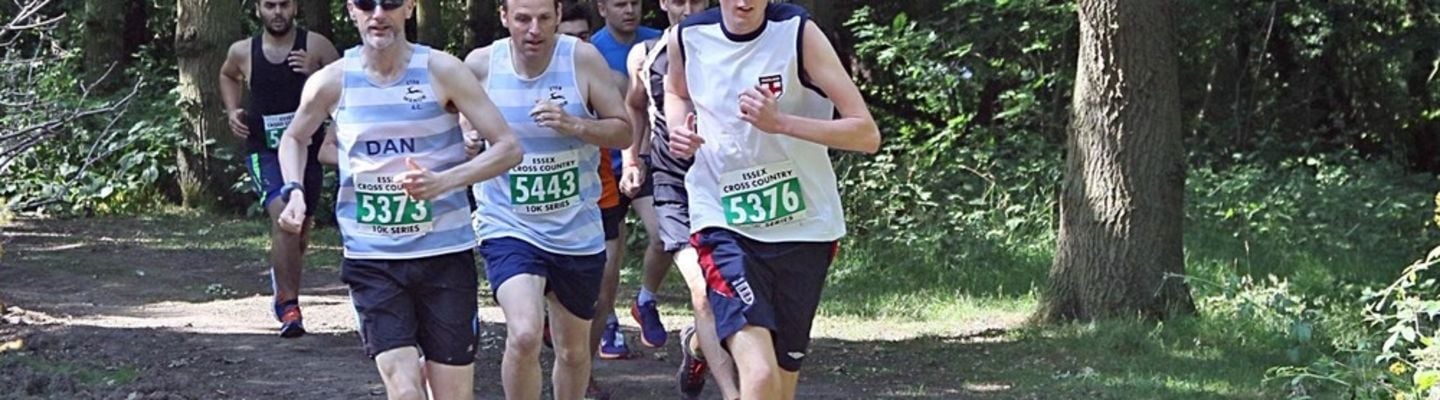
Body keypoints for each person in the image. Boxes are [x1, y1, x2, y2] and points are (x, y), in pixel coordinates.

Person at [274, 0, 523, 398]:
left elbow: (508, 147)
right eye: (365, 4)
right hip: (373, 258)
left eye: (389, 2)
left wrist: (443, 182)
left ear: (408, 8)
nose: (378, 13)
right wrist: (295, 191)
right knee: (404, 390)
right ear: (351, 11)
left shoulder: (442, 70)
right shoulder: (332, 81)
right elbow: (294, 137)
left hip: (444, 254)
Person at [664, 1, 881, 398]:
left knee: (780, 387)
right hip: (724, 219)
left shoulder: (797, 32)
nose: (744, 3)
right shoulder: (688, 35)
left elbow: (866, 135)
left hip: (805, 226)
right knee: (759, 375)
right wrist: (678, 128)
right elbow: (675, 90)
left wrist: (780, 123)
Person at [462, 0, 631, 398]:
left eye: (543, 18)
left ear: (557, 15)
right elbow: (455, 116)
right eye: (522, 19)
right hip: (508, 223)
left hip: (576, 229)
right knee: (524, 333)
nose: (534, 29)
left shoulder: (582, 60)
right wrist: (467, 137)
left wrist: (575, 124)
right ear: (504, 18)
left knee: (573, 352)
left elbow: (623, 131)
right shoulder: (481, 65)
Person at [619, 1, 740, 398]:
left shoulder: (729, 44)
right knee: (703, 290)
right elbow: (634, 105)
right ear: (663, 3)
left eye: (695, 0)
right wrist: (631, 158)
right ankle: (731, 392)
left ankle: (696, 345)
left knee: (734, 292)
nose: (687, 7)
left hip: (728, 182)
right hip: (672, 184)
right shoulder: (646, 52)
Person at [218, 0, 341, 339]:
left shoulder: (316, 46)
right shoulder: (244, 51)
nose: (277, 12)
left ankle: (283, 283)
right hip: (265, 150)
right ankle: (289, 306)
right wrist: (232, 111)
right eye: (269, 5)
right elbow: (227, 75)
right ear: (258, 9)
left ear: (295, 8)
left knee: (297, 231)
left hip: (308, 150)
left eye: (283, 4)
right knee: (285, 214)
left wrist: (315, 76)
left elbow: (349, 85)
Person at [588, 0, 669, 364]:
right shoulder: (589, 52)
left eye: (635, 3)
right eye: (620, 4)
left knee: (665, 235)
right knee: (610, 258)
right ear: (602, 9)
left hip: (646, 158)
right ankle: (609, 323)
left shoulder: (660, 42)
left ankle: (645, 300)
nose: (630, 11)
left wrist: (643, 154)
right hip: (604, 166)